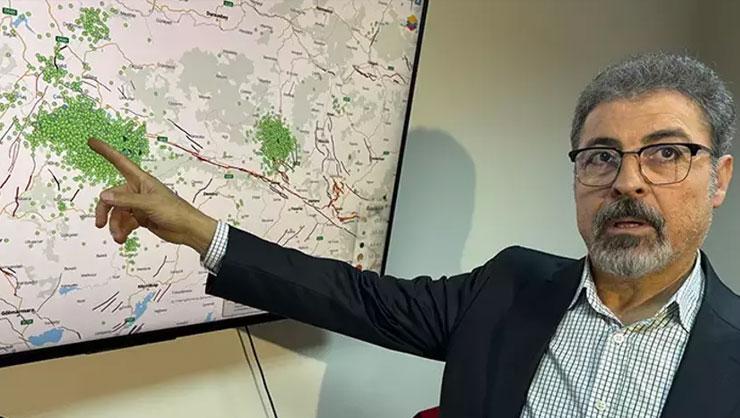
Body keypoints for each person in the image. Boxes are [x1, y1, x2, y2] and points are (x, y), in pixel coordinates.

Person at [87, 52, 740, 418]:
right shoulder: (509, 285)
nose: (627, 181)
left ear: (719, 178)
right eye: (601, 156)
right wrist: (199, 230)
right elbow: (355, 297)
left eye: (666, 153)